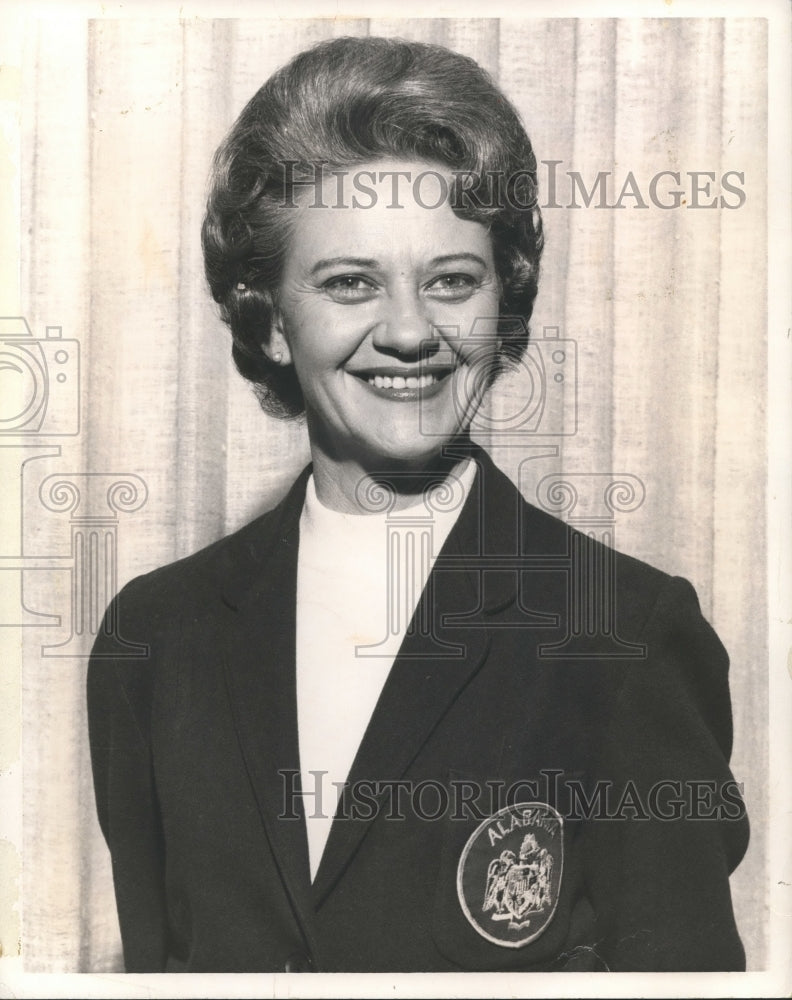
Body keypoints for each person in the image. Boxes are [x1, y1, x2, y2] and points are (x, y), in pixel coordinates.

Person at [87, 35, 749, 974]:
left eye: (450, 281)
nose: (408, 332)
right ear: (269, 318)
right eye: (350, 282)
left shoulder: (625, 636)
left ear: (502, 300)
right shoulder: (153, 639)